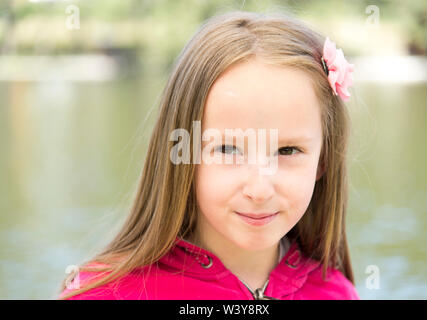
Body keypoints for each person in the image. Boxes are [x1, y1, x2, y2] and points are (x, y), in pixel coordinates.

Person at [58, 10, 359, 300]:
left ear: (323, 159)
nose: (259, 189)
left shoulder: (337, 293)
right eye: (227, 149)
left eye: (287, 150)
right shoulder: (104, 295)